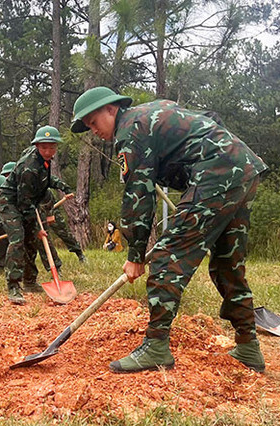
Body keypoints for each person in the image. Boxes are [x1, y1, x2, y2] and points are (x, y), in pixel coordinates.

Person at [71, 86, 268, 373]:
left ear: (111, 109)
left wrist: (136, 254)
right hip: (242, 167)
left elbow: (138, 195)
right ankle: (248, 347)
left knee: (167, 256)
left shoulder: (131, 129)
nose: (94, 131)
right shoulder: (153, 111)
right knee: (227, 261)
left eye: (93, 122)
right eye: (88, 126)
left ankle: (156, 346)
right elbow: (209, 119)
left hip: (216, 173)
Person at [0, 126, 73, 305]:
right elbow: (24, 202)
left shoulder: (43, 160)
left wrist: (63, 186)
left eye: (52, 147)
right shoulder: (29, 167)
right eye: (44, 147)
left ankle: (29, 281)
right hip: (9, 202)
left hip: (27, 202)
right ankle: (13, 286)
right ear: (37, 146)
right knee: (18, 239)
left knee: (31, 240)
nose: (48, 151)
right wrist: (38, 227)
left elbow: (45, 180)